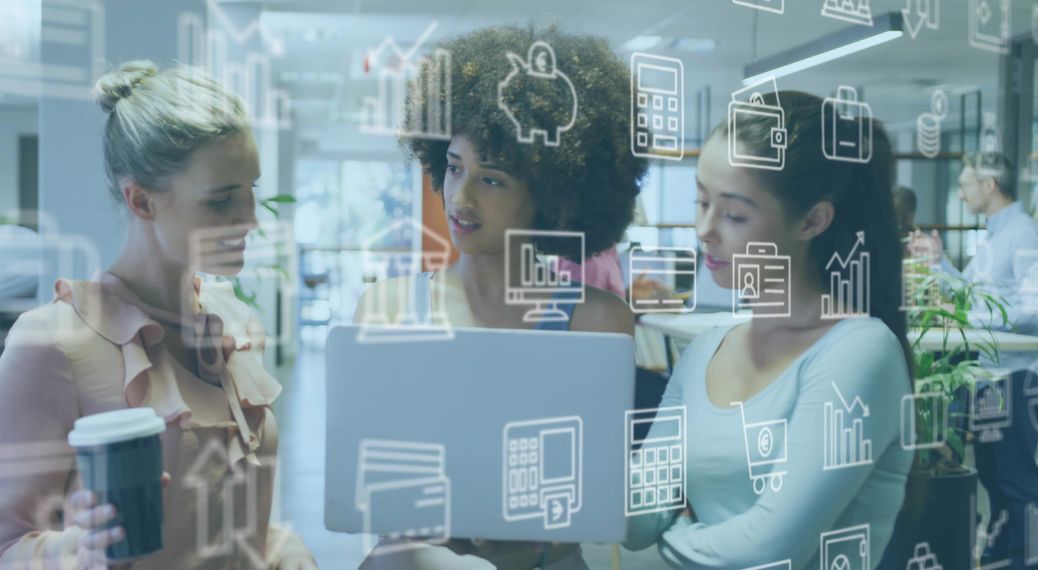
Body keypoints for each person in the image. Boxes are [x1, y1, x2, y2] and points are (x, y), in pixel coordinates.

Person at [0, 61, 316, 569]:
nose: (251, 219)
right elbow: (7, 545)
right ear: (141, 200)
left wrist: (275, 545)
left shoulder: (232, 324)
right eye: (221, 200)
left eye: (251, 189)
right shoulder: (53, 343)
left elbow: (208, 519)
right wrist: (73, 551)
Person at [354, 25, 644, 570]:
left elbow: (598, 495)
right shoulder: (386, 309)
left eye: (492, 180)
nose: (458, 197)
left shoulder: (599, 322)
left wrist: (532, 542)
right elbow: (373, 482)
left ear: (553, 196)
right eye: (455, 167)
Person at [624, 91, 913, 569]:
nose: (705, 229)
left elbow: (770, 550)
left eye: (735, 214)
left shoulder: (859, 352)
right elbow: (640, 516)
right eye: (701, 201)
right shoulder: (707, 350)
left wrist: (677, 534)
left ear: (813, 220)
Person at [909, 152, 1038, 569]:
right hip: (990, 376)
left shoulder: (1025, 234)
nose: (961, 191)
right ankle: (1008, 559)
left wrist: (972, 319)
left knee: (1017, 481)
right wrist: (940, 264)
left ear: (989, 185)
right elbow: (970, 293)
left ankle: (1033, 563)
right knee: (994, 478)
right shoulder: (993, 236)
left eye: (965, 184)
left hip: (1017, 376)